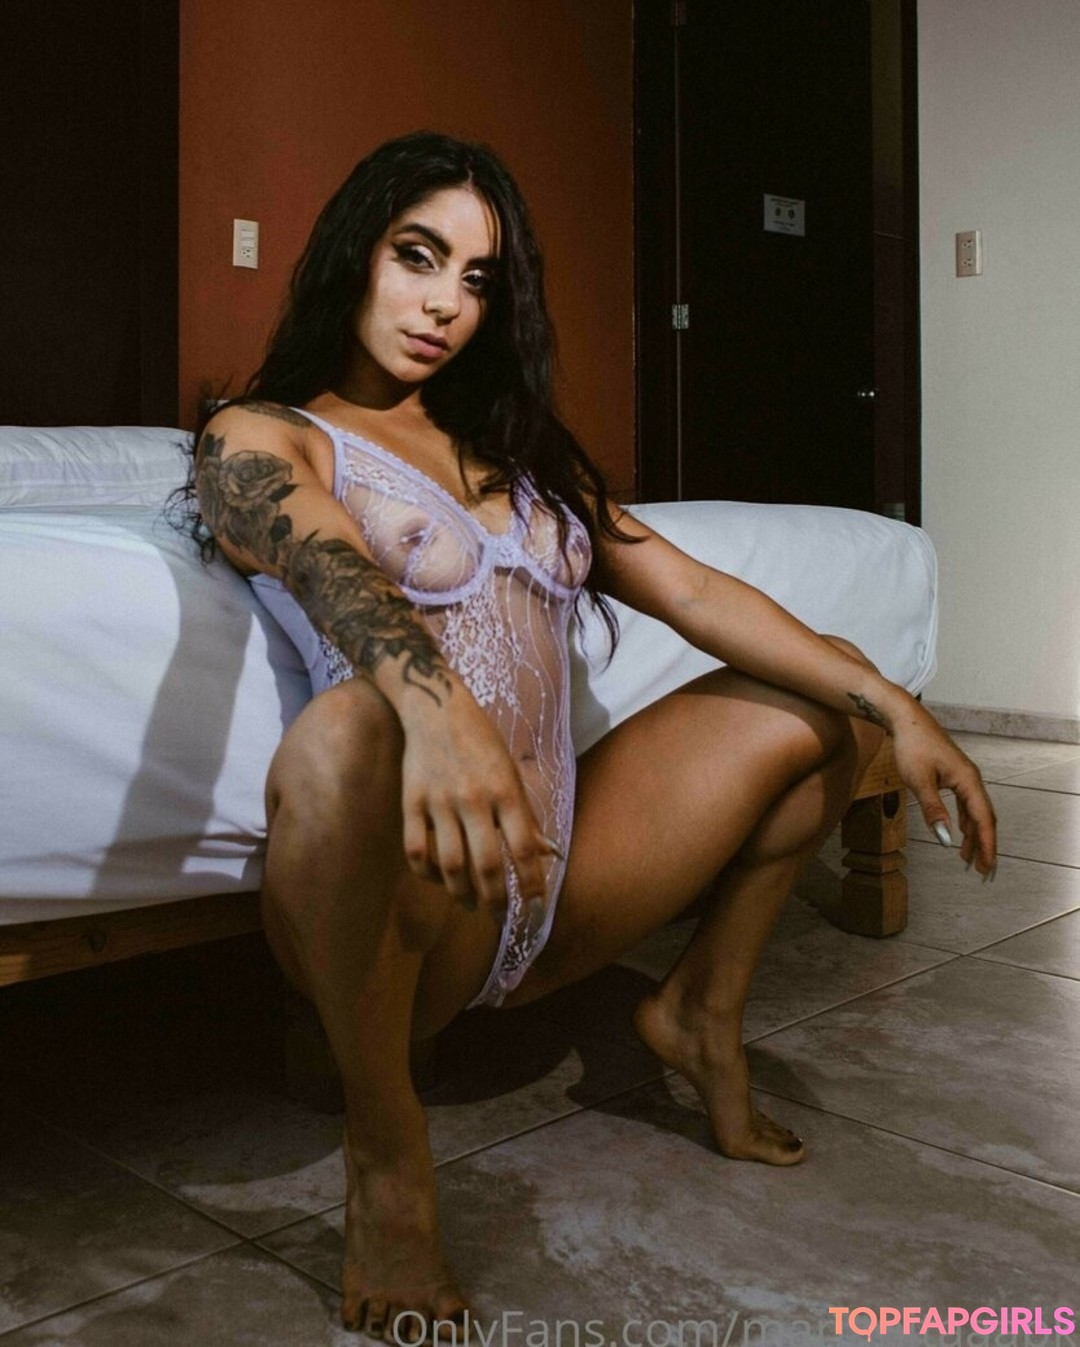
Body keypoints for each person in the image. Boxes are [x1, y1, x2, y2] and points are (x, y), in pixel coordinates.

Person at [188, 131, 996, 1341]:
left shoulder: (518, 457)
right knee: (345, 731)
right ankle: (388, 1154)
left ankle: (699, 1015)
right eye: (418, 256)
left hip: (560, 881)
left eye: (477, 280)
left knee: (825, 700)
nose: (444, 304)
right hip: (416, 910)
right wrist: (439, 712)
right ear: (356, 253)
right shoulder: (266, 436)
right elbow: (330, 565)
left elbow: (698, 593)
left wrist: (900, 705)